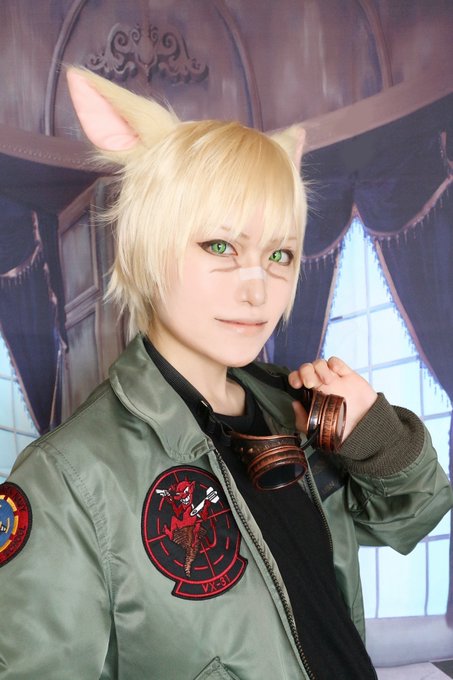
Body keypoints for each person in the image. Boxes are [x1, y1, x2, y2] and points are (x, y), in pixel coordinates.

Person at [0, 68, 451, 680]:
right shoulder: (66, 479)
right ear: (149, 242)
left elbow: (410, 518)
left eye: (279, 254)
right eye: (220, 247)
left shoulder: (296, 406)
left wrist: (374, 434)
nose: (257, 289)